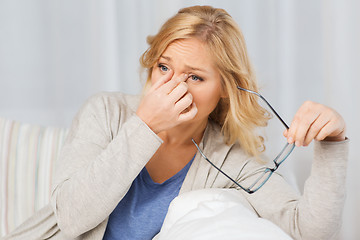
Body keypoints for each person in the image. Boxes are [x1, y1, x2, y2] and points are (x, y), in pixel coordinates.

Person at [2, 5, 348, 240]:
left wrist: (332, 142)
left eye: (195, 77)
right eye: (164, 68)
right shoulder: (106, 112)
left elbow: (308, 231)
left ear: (226, 89)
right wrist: (146, 126)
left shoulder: (231, 160)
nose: (172, 87)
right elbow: (73, 218)